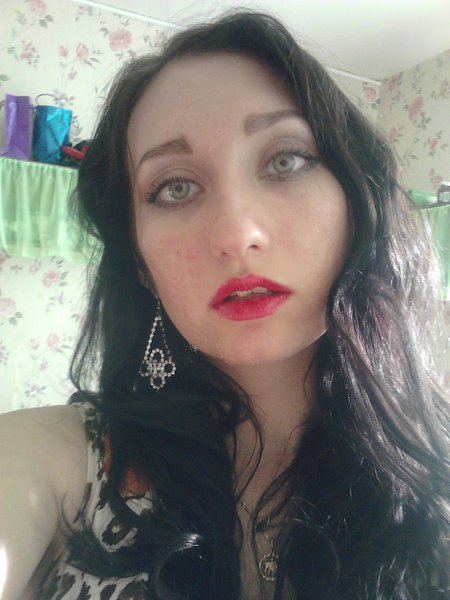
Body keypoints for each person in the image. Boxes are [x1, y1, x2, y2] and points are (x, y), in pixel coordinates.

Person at [0, 10, 449, 600]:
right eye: (175, 187)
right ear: (140, 263)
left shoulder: (434, 479)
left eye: (285, 160)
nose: (237, 235)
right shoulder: (50, 462)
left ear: (357, 202)